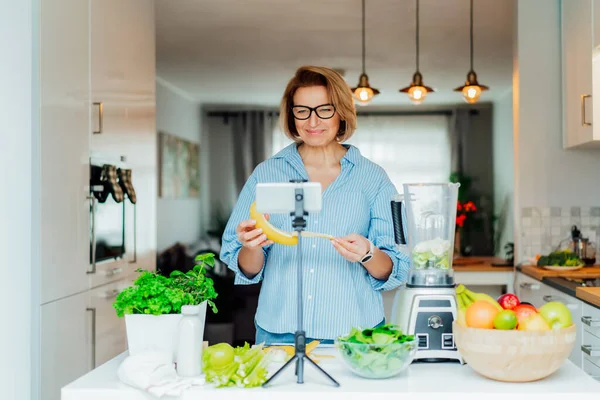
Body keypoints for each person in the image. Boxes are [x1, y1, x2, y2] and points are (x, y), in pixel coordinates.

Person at [220, 65, 410, 345]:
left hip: (354, 335)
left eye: (324, 109)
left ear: (341, 112)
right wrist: (252, 247)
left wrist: (367, 254)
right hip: (278, 332)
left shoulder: (372, 177)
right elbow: (244, 266)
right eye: (302, 110)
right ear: (291, 114)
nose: (312, 121)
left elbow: (396, 266)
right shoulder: (268, 173)